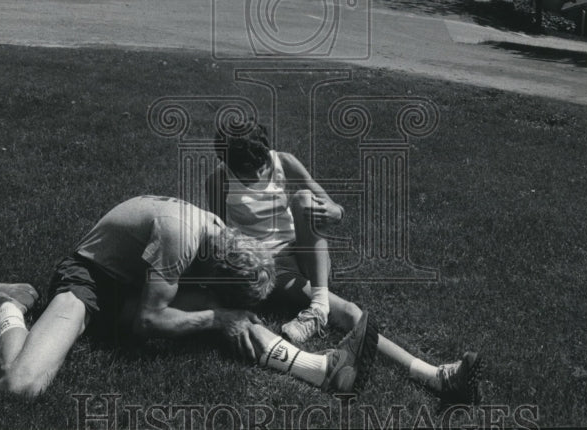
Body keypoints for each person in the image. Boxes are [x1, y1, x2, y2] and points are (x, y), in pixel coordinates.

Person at [0, 194, 378, 400]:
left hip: (132, 283)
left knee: (235, 319)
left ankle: (321, 369)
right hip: (89, 278)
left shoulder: (219, 241)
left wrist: (227, 314)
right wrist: (217, 318)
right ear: (211, 277)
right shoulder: (180, 238)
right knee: (18, 385)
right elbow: (148, 322)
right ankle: (10, 303)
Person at [206, 127, 482, 405]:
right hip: (273, 267)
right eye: (248, 171)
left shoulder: (284, 162)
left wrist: (332, 211)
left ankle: (319, 305)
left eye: (262, 165)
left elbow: (335, 209)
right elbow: (222, 242)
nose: (258, 175)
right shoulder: (218, 181)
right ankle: (436, 377)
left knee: (304, 199)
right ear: (227, 163)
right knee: (349, 311)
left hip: (307, 251)